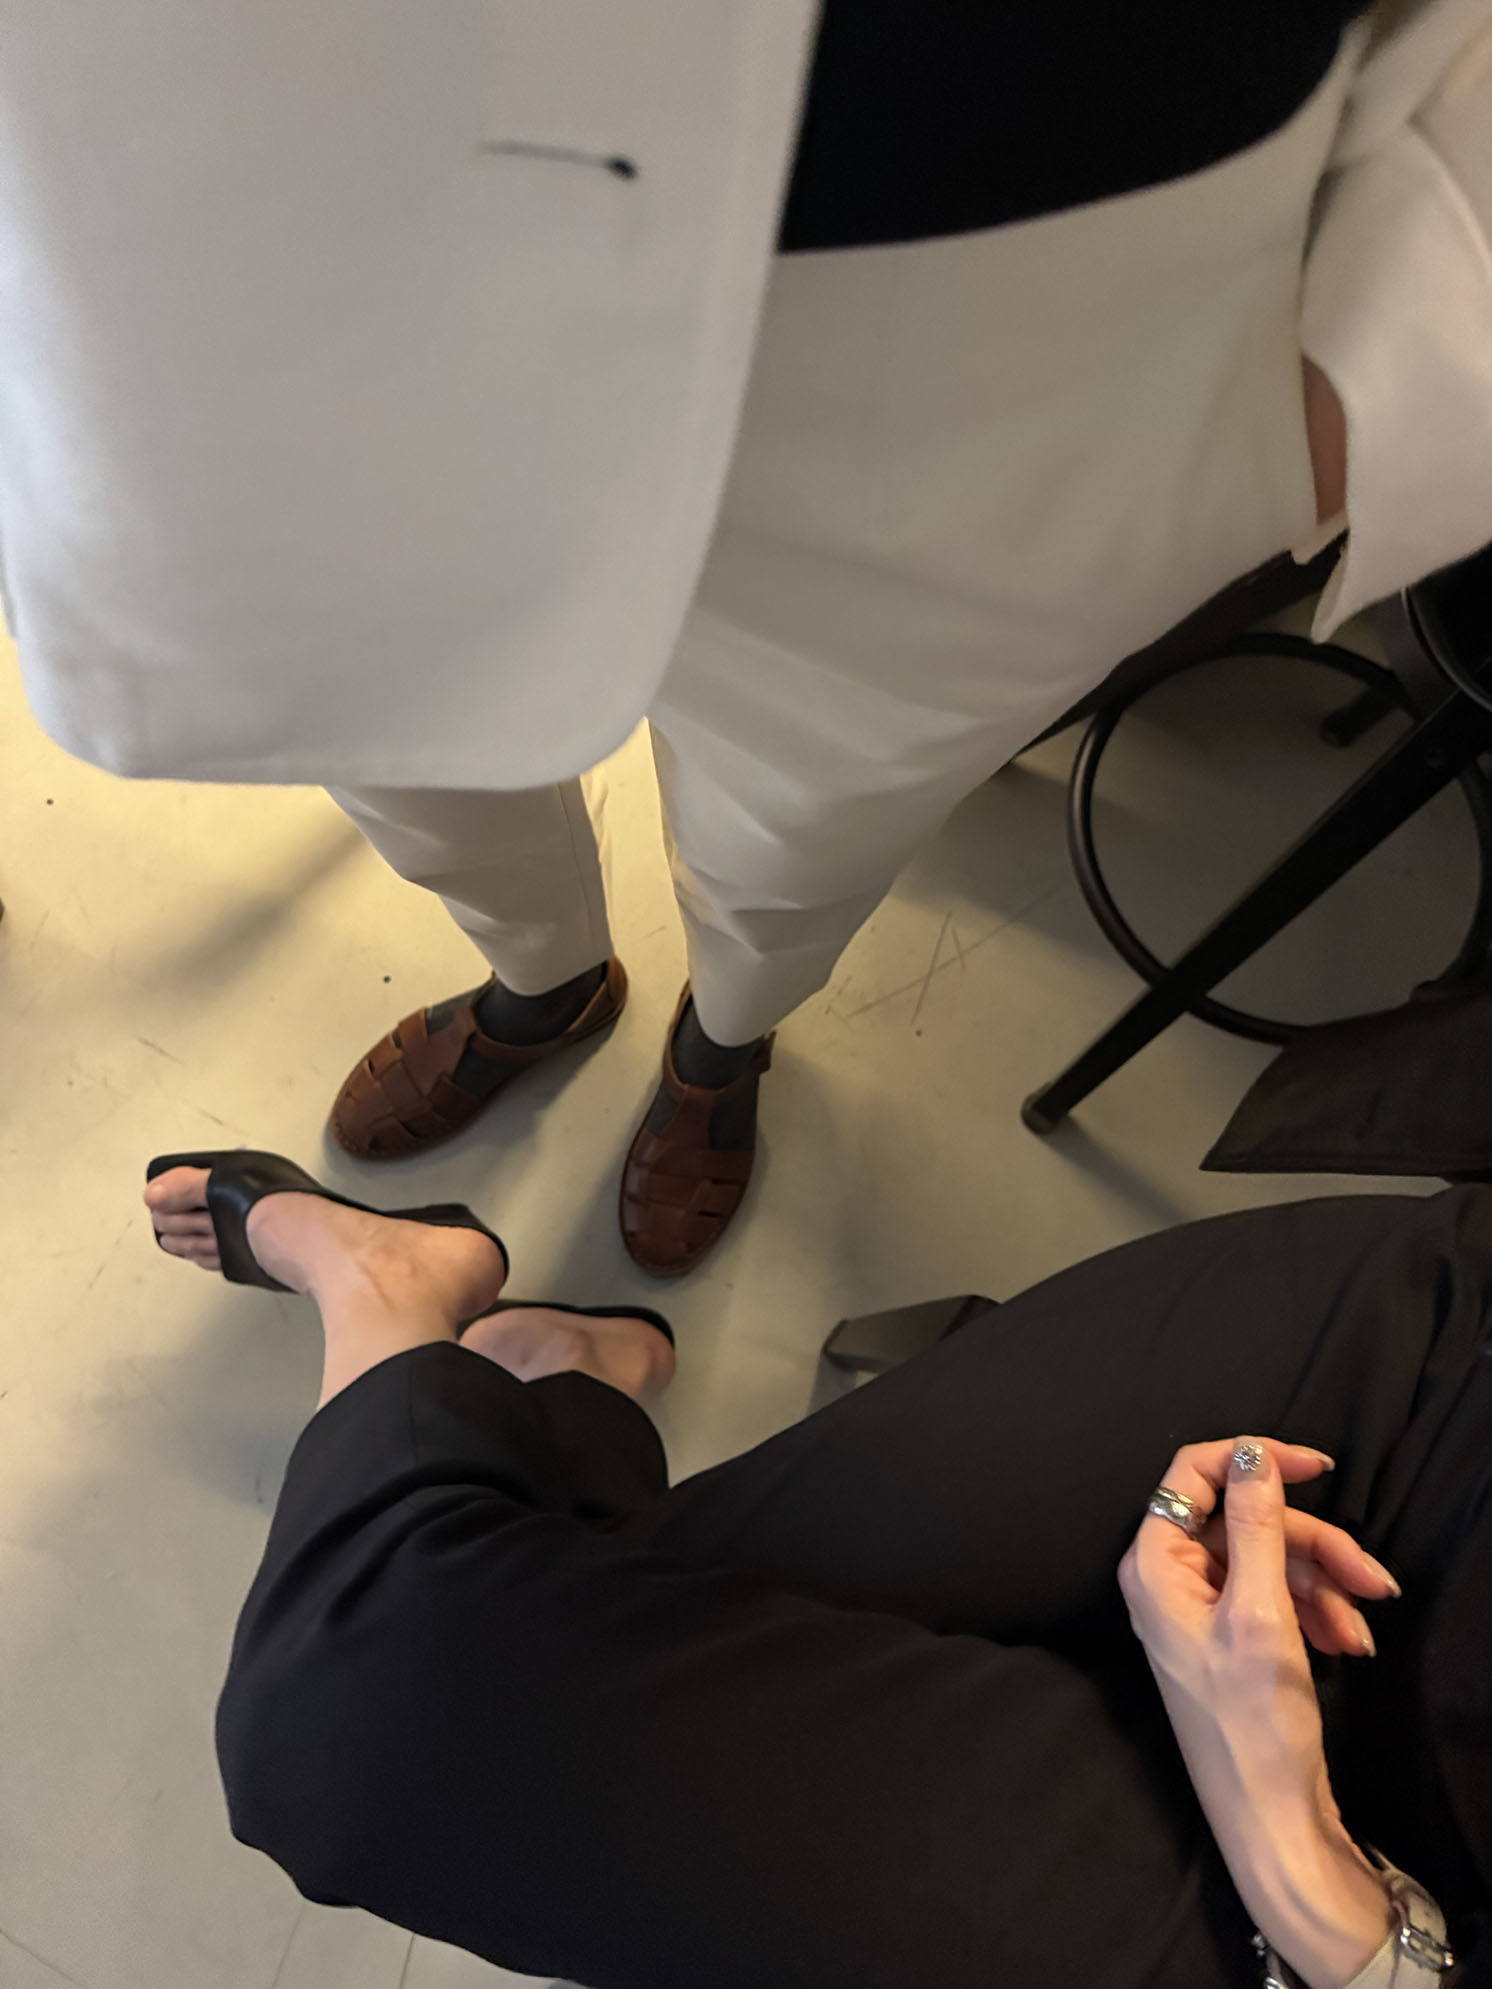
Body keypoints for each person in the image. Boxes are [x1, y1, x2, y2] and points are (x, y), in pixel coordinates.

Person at [8, 4, 1492, 1273]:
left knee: (808, 836)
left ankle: (723, 1044)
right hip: (275, 249)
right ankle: (540, 986)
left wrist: (1380, 386)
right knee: (402, 747)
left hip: (1010, 279)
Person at [144, 1155, 1489, 1987]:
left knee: (373, 1718)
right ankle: (565, 1374)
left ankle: (412, 1304)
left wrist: (1318, 1884)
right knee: (536, 1659)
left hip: (1367, 1940)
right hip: (1438, 1414)